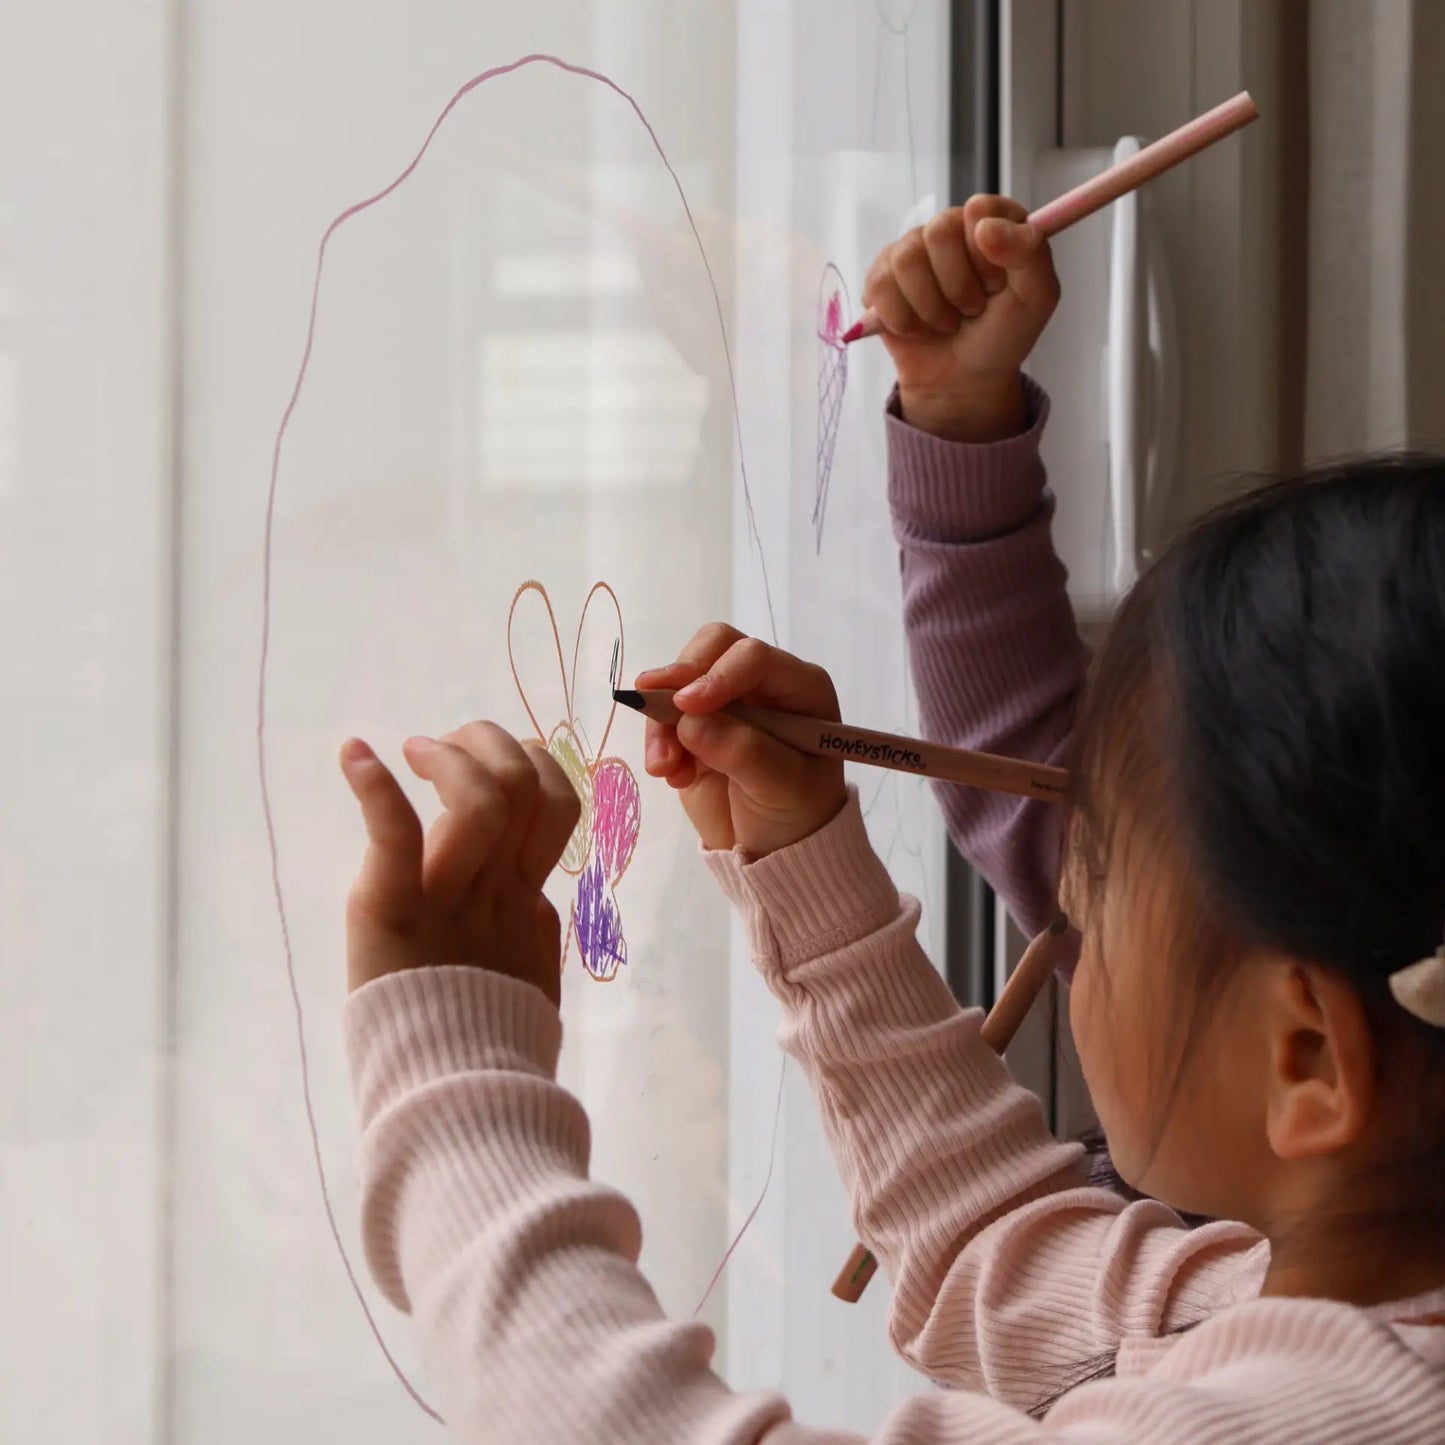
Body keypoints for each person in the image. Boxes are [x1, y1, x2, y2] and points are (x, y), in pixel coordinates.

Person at [339, 198, 1445, 1440]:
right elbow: (992, 1241)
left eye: (1080, 908)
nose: (1065, 939)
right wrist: (801, 854)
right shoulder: (1349, 1304)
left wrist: (460, 1082)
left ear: (1302, 1056)